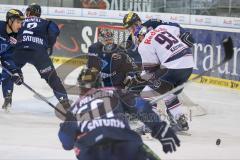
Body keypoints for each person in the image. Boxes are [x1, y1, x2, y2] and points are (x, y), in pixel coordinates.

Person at [58, 68, 178, 159]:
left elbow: (67, 143)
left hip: (92, 150)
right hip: (125, 143)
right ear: (100, 83)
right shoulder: (115, 92)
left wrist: (65, 129)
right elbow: (141, 107)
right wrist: (159, 127)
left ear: (80, 87)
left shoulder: (74, 108)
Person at [123, 12, 195, 131]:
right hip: (188, 63)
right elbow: (179, 33)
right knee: (169, 93)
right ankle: (181, 121)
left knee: (147, 93)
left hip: (173, 66)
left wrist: (135, 80)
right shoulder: (161, 29)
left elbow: (149, 73)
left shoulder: (144, 44)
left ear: (140, 36)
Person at [11, 3, 71, 110]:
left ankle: (7, 98)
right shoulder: (47, 22)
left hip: (20, 51)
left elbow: (11, 36)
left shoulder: (20, 22)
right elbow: (55, 31)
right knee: (53, 79)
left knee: (9, 70)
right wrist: (48, 45)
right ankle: (65, 103)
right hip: (38, 52)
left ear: (29, 12)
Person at [0, 9, 24, 111]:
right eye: (18, 22)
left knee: (9, 73)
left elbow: (8, 57)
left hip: (3, 55)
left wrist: (15, 71)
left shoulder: (17, 36)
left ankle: (8, 97)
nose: (20, 25)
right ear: (10, 21)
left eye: (21, 23)